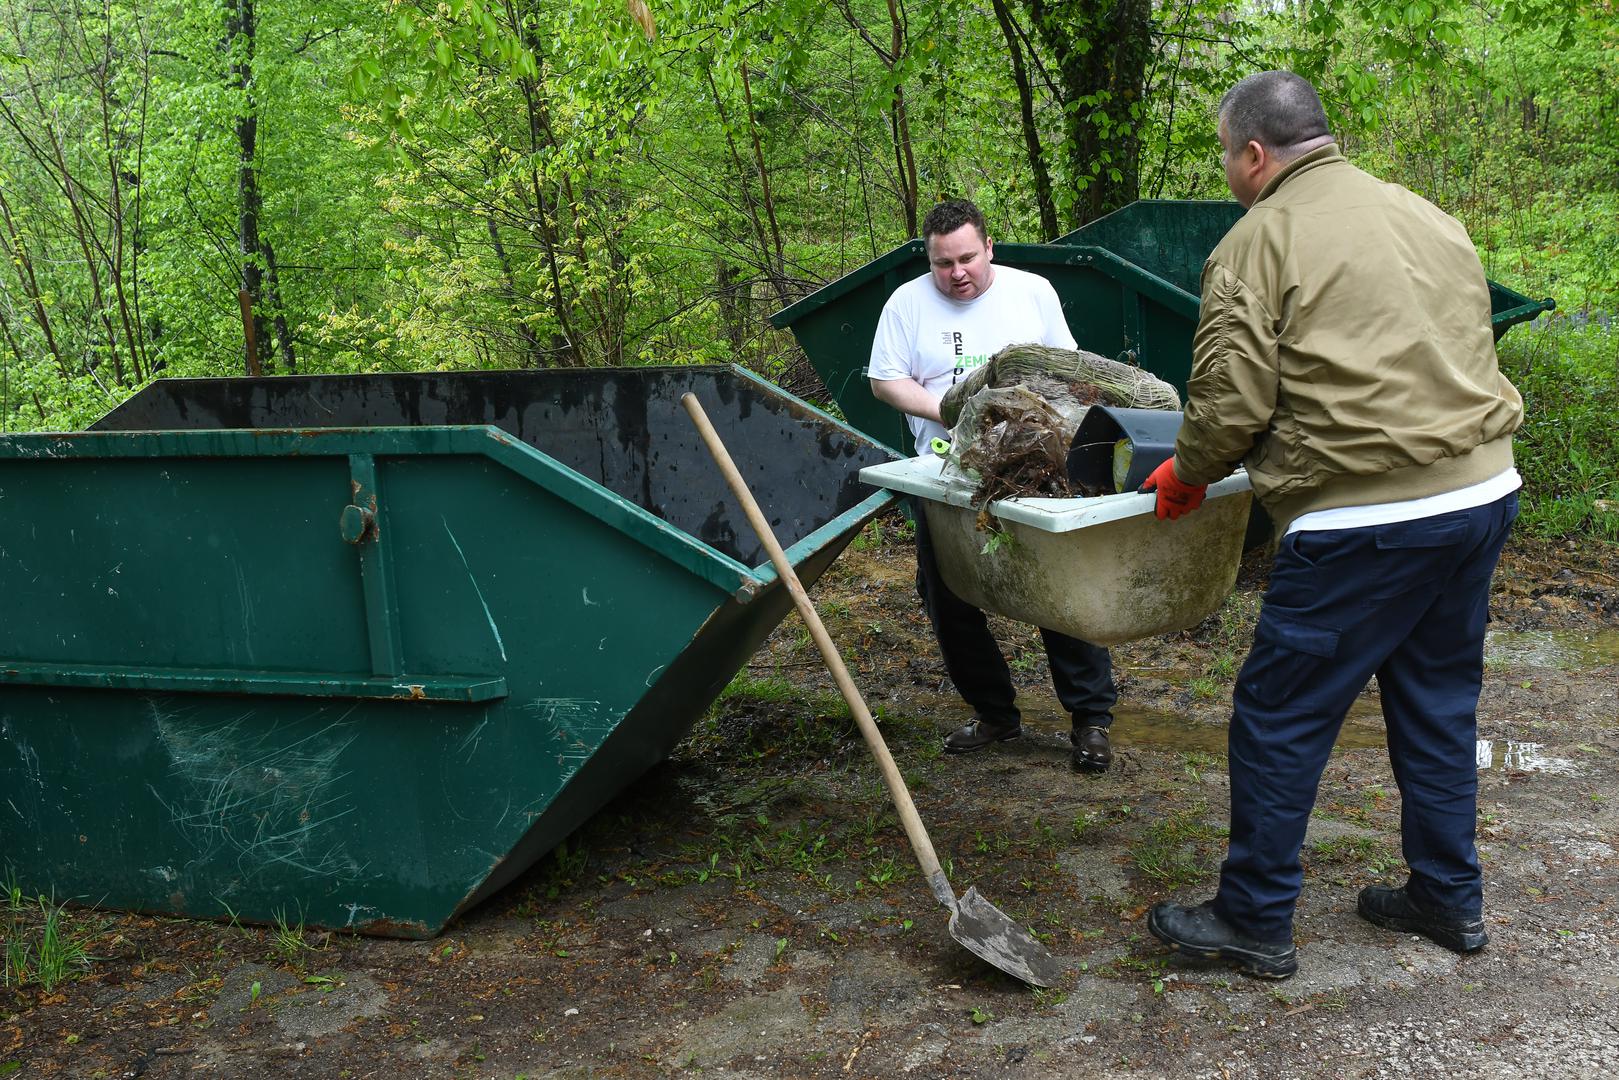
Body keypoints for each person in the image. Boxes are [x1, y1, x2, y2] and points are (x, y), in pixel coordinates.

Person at [1140, 71, 1524, 979]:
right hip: (1478, 495)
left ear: (1255, 154)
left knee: (1279, 715)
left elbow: (1231, 403)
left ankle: (1253, 918)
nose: (1230, 175)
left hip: (1364, 521)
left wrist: (1186, 474)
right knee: (1435, 706)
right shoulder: (1426, 214)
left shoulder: (1257, 240)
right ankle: (1446, 898)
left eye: (1228, 158)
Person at [869, 198, 1118, 772]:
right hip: (946, 473)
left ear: (988, 249)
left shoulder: (1032, 291)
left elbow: (1068, 369)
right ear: (928, 261)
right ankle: (995, 715)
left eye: (966, 259)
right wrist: (950, 411)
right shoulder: (906, 305)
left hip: (1035, 467)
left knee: (1058, 589)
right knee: (948, 595)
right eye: (942, 264)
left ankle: (1090, 722)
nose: (956, 273)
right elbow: (886, 379)